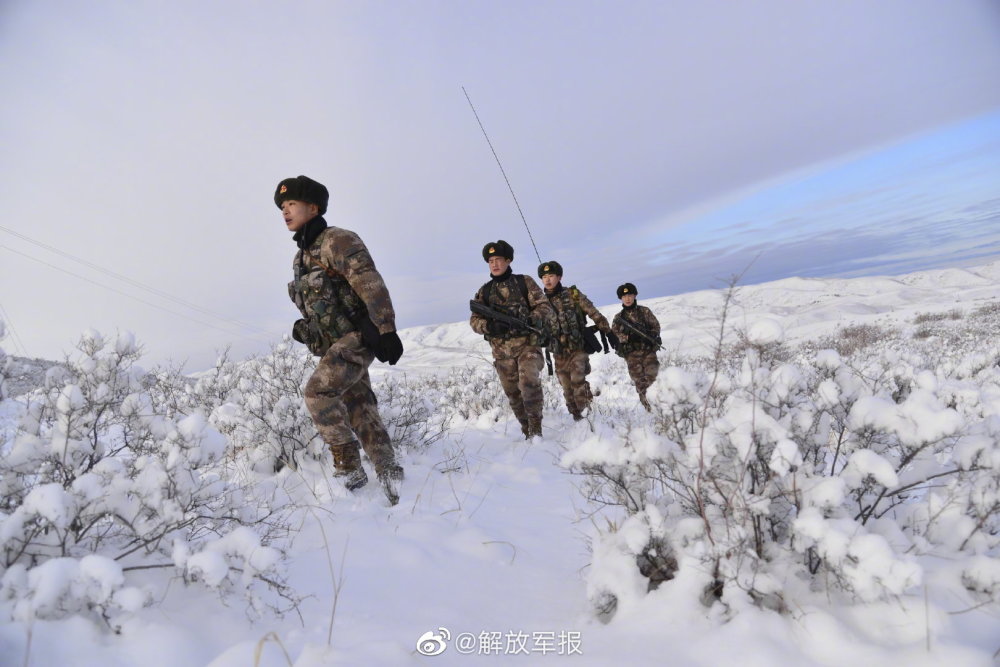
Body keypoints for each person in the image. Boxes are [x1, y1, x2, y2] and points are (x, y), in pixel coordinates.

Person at [278, 175, 404, 504]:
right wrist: (305, 329)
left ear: (313, 207)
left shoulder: (337, 240)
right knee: (360, 407)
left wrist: (387, 329)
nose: (285, 211)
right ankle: (390, 473)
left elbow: (368, 281)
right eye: (282, 207)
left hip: (359, 336)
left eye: (291, 204)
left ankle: (349, 470)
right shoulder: (301, 258)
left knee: (317, 392)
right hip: (334, 344)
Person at [469, 241, 556, 439]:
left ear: (508, 260)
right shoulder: (485, 291)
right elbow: (474, 320)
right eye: (490, 261)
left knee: (528, 383)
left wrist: (530, 319)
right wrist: (490, 326)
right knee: (513, 395)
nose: (494, 264)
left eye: (498, 259)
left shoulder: (523, 282)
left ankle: (536, 430)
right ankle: (527, 430)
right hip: (501, 353)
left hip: (528, 347)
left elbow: (545, 306)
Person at [537, 260, 619, 420]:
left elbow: (593, 312)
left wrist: (608, 332)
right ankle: (576, 417)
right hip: (558, 352)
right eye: (544, 277)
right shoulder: (539, 302)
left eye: (551, 275)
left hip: (577, 348)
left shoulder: (573, 294)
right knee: (566, 387)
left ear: (559, 277)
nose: (547, 280)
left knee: (577, 381)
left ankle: (586, 417)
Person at [611, 283, 661, 411]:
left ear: (635, 295)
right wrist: (628, 338)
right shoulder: (618, 318)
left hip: (648, 351)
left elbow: (656, 326)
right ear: (620, 298)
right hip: (632, 354)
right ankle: (648, 408)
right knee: (639, 382)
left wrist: (652, 336)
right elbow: (615, 334)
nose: (627, 298)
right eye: (624, 296)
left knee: (653, 378)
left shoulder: (644, 311)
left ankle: (659, 406)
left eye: (629, 295)